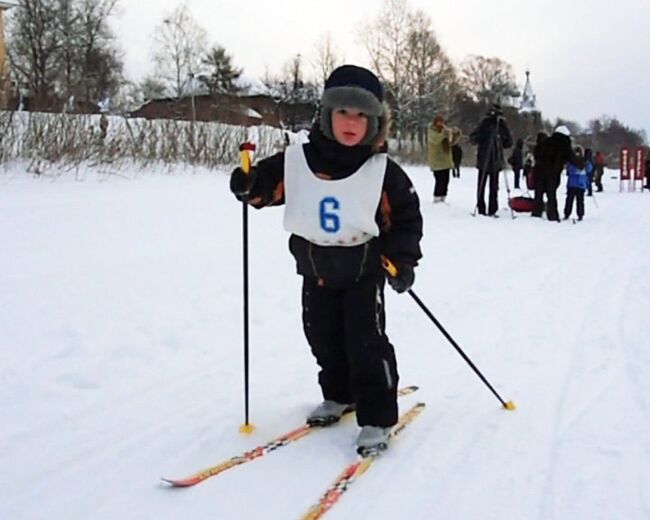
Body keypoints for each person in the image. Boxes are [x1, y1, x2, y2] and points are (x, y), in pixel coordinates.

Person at [229, 65, 423, 454]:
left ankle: (376, 417)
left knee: (365, 343)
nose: (350, 122)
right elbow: (266, 189)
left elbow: (405, 219)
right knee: (323, 338)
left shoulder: (382, 170)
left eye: (361, 115)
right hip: (315, 271)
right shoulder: (298, 160)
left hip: (364, 273)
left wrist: (402, 262)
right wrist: (250, 185)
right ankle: (339, 395)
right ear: (326, 114)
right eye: (342, 112)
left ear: (374, 122)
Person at [532, 126, 584, 221]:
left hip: (539, 171)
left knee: (538, 193)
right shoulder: (564, 144)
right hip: (553, 173)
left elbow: (536, 152)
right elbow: (572, 158)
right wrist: (581, 164)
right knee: (551, 194)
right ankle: (552, 215)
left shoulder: (546, 141)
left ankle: (536, 212)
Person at [469, 104, 513, 216]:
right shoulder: (485, 124)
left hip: (495, 161)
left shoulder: (501, 125)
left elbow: (508, 143)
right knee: (482, 186)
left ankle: (493, 209)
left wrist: (503, 135)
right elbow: (473, 138)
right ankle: (481, 208)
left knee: (494, 187)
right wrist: (482, 137)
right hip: (484, 160)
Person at [427, 115, 460, 202]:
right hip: (437, 161)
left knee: (446, 180)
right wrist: (445, 134)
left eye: (442, 122)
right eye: (439, 122)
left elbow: (451, 142)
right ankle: (437, 197)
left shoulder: (445, 130)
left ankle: (443, 197)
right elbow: (436, 140)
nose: (441, 124)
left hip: (446, 161)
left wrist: (455, 134)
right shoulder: (432, 131)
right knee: (439, 180)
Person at [563, 146, 590, 221]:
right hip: (580, 184)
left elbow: (569, 170)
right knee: (578, 200)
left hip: (573, 183)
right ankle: (578, 214)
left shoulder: (572, 161)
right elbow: (589, 169)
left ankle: (569, 214)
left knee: (572, 200)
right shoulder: (584, 161)